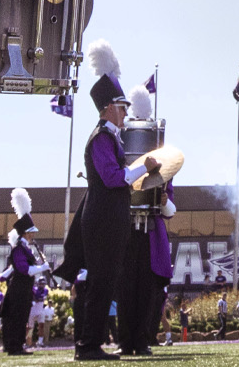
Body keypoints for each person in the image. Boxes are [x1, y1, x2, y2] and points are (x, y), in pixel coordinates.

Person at [51, 45, 156, 361]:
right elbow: (113, 178)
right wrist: (143, 167)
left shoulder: (110, 137)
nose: (126, 112)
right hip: (102, 221)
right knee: (100, 283)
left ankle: (90, 343)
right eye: (122, 107)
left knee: (105, 282)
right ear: (109, 107)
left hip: (108, 219)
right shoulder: (101, 137)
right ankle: (87, 345)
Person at [116, 86, 176, 358]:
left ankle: (142, 340)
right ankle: (125, 341)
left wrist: (164, 201)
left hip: (150, 233)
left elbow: (171, 211)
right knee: (125, 289)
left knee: (149, 291)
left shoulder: (165, 169)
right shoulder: (120, 161)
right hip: (127, 232)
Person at [0, 191, 42, 354]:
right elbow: (23, 269)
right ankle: (14, 346)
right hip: (19, 289)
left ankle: (16, 345)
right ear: (25, 233)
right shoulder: (19, 248)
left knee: (21, 317)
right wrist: (42, 268)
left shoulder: (24, 248)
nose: (33, 235)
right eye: (31, 232)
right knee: (16, 317)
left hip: (24, 289)